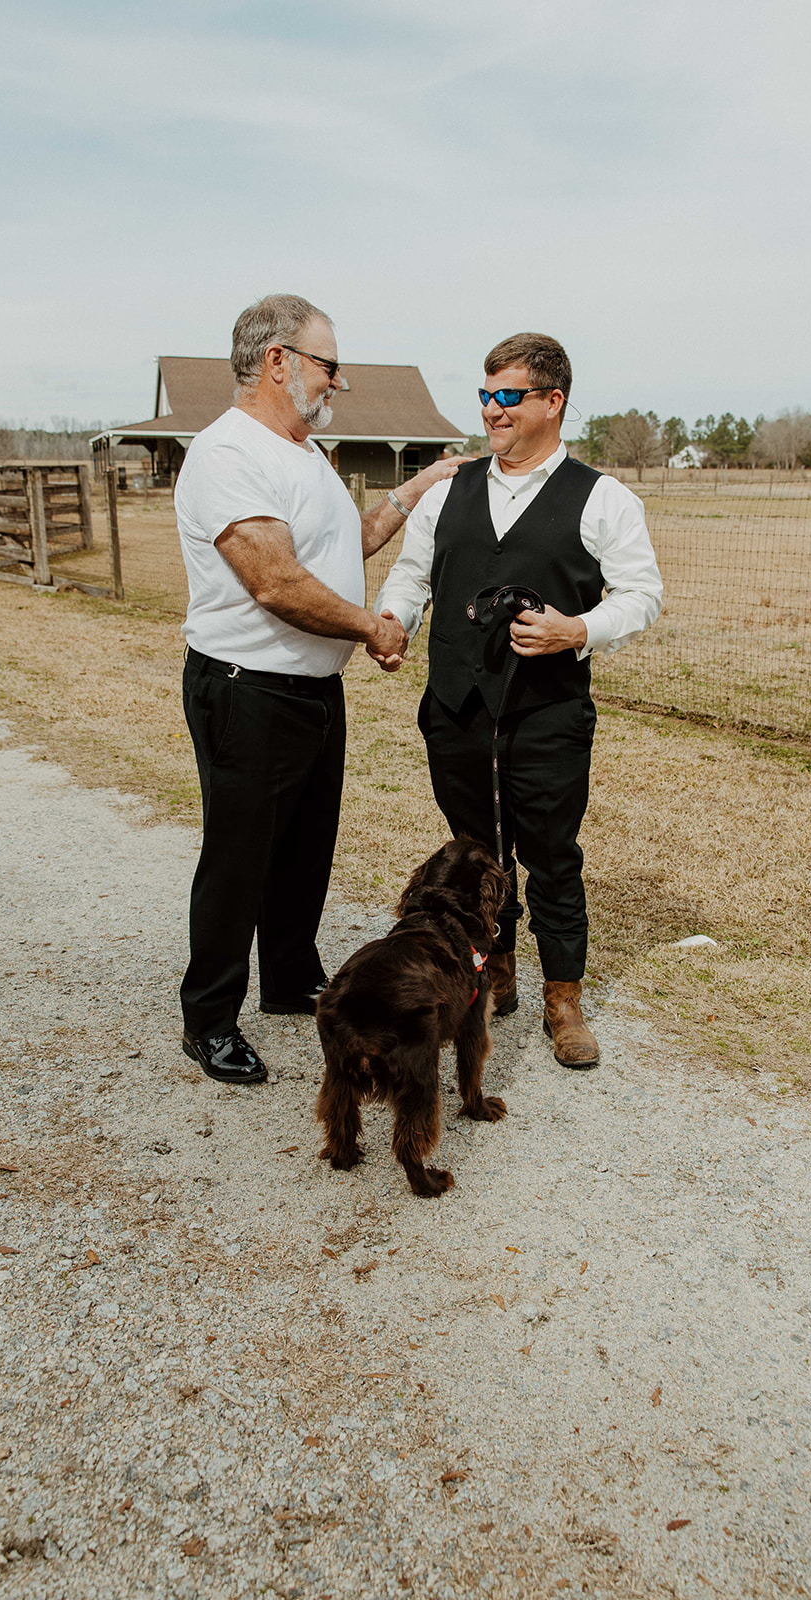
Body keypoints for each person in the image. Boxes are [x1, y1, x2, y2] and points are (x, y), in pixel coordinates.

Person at [174, 293, 458, 1085]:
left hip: (308, 687)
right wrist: (371, 627)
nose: (338, 383)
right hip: (247, 689)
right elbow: (274, 581)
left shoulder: (304, 453)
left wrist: (420, 485)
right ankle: (209, 1018)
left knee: (303, 848)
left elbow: (349, 542)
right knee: (240, 856)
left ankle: (290, 979)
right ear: (278, 362)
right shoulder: (229, 454)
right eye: (328, 365)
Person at [375, 332, 663, 1069]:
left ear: (551, 401)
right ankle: (492, 971)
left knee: (550, 853)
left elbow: (642, 596)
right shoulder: (448, 490)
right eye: (485, 394)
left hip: (547, 710)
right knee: (475, 851)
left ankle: (561, 997)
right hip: (457, 703)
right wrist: (392, 624)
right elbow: (413, 575)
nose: (492, 410)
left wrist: (579, 629)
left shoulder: (603, 497)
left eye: (507, 396)